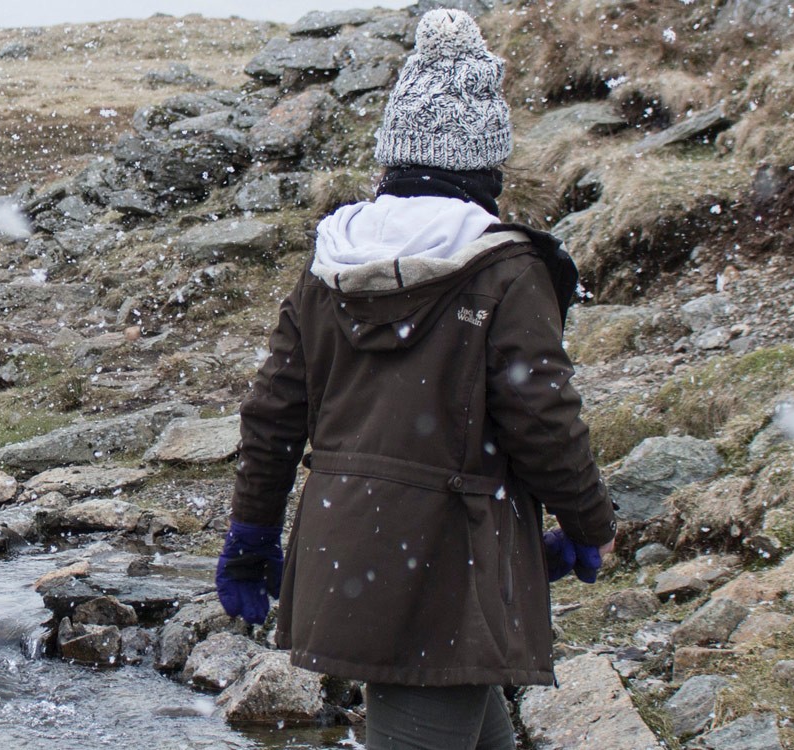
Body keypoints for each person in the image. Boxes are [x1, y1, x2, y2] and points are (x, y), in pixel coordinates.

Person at [213, 9, 618, 749]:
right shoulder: (506, 271)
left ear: (393, 155)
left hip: (348, 553)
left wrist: (252, 533)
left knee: (479, 731)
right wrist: (589, 525)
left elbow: (272, 414)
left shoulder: (332, 261)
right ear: (488, 165)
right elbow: (545, 421)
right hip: (448, 568)